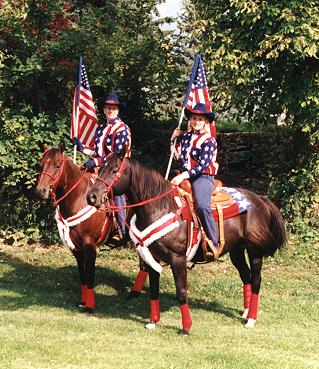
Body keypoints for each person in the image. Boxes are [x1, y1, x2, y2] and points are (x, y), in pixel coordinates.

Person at [73, 92, 131, 242]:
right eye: (108, 107)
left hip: (117, 168)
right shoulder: (100, 128)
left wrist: (96, 162)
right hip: (102, 167)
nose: (111, 110)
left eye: (114, 108)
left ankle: (121, 229)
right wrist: (82, 148)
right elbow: (97, 151)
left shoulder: (122, 129)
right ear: (104, 110)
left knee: (115, 191)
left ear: (118, 110)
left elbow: (117, 155)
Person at [170, 103, 220, 261]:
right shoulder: (185, 137)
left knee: (202, 206)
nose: (196, 121)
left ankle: (213, 242)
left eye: (200, 118)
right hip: (184, 175)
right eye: (194, 118)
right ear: (190, 120)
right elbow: (178, 157)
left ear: (205, 121)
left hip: (202, 177)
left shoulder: (209, 140)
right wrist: (173, 140)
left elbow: (202, 165)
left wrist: (183, 175)